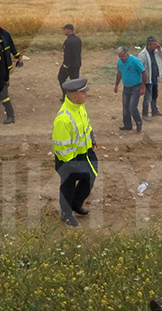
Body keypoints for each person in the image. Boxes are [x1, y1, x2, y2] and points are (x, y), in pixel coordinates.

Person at [52, 78, 98, 227]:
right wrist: (71, 164)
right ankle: (66, 214)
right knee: (68, 185)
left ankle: (76, 204)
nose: (87, 94)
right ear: (75, 96)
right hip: (68, 159)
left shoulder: (79, 106)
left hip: (84, 153)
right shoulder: (63, 118)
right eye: (84, 92)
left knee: (90, 176)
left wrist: (92, 137)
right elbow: (61, 147)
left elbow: (86, 123)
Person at [113, 46, 147, 133]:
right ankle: (127, 125)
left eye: (123, 56)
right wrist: (116, 84)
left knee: (132, 107)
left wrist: (143, 87)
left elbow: (143, 72)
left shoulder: (135, 61)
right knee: (125, 108)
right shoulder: (120, 61)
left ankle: (139, 123)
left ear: (127, 53)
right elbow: (119, 72)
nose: (121, 58)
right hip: (126, 87)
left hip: (136, 87)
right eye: (119, 56)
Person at [137, 36, 162, 120]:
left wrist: (160, 49)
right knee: (147, 97)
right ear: (149, 45)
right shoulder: (142, 55)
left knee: (154, 94)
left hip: (154, 77)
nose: (156, 45)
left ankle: (154, 110)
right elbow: (140, 68)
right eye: (154, 44)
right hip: (147, 79)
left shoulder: (157, 52)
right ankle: (145, 114)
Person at [58, 24, 82, 101]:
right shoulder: (78, 40)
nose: (64, 31)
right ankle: (75, 97)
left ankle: (66, 96)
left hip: (69, 65)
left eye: (64, 29)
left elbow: (67, 55)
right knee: (74, 81)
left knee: (61, 77)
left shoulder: (68, 41)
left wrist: (65, 66)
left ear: (68, 30)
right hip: (77, 63)